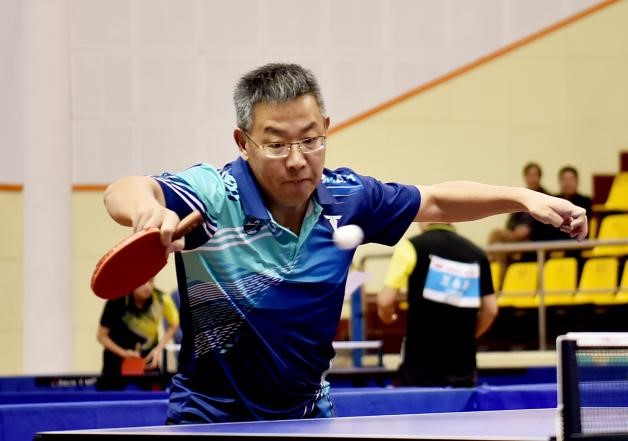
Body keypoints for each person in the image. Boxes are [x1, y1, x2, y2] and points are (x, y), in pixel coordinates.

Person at [101, 63, 587, 423]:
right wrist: (146, 210)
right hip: (210, 417)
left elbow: (436, 200)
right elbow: (125, 189)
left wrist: (524, 198)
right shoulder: (213, 195)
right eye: (276, 143)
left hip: (309, 415)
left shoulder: (348, 197)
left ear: (327, 130)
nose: (297, 159)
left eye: (310, 139)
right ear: (243, 142)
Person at [377, 223, 498, 387]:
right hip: (463, 366)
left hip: (420, 367)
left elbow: (385, 301)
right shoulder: (477, 253)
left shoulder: (412, 246)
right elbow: (491, 309)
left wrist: (388, 316)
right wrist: (468, 336)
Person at [96, 279, 180, 389]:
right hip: (116, 360)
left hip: (148, 359)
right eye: (142, 282)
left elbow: (174, 324)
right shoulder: (115, 300)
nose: (148, 287)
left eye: (151, 281)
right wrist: (124, 353)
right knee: (110, 397)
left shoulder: (162, 299)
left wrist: (158, 349)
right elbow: (101, 336)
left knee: (154, 396)